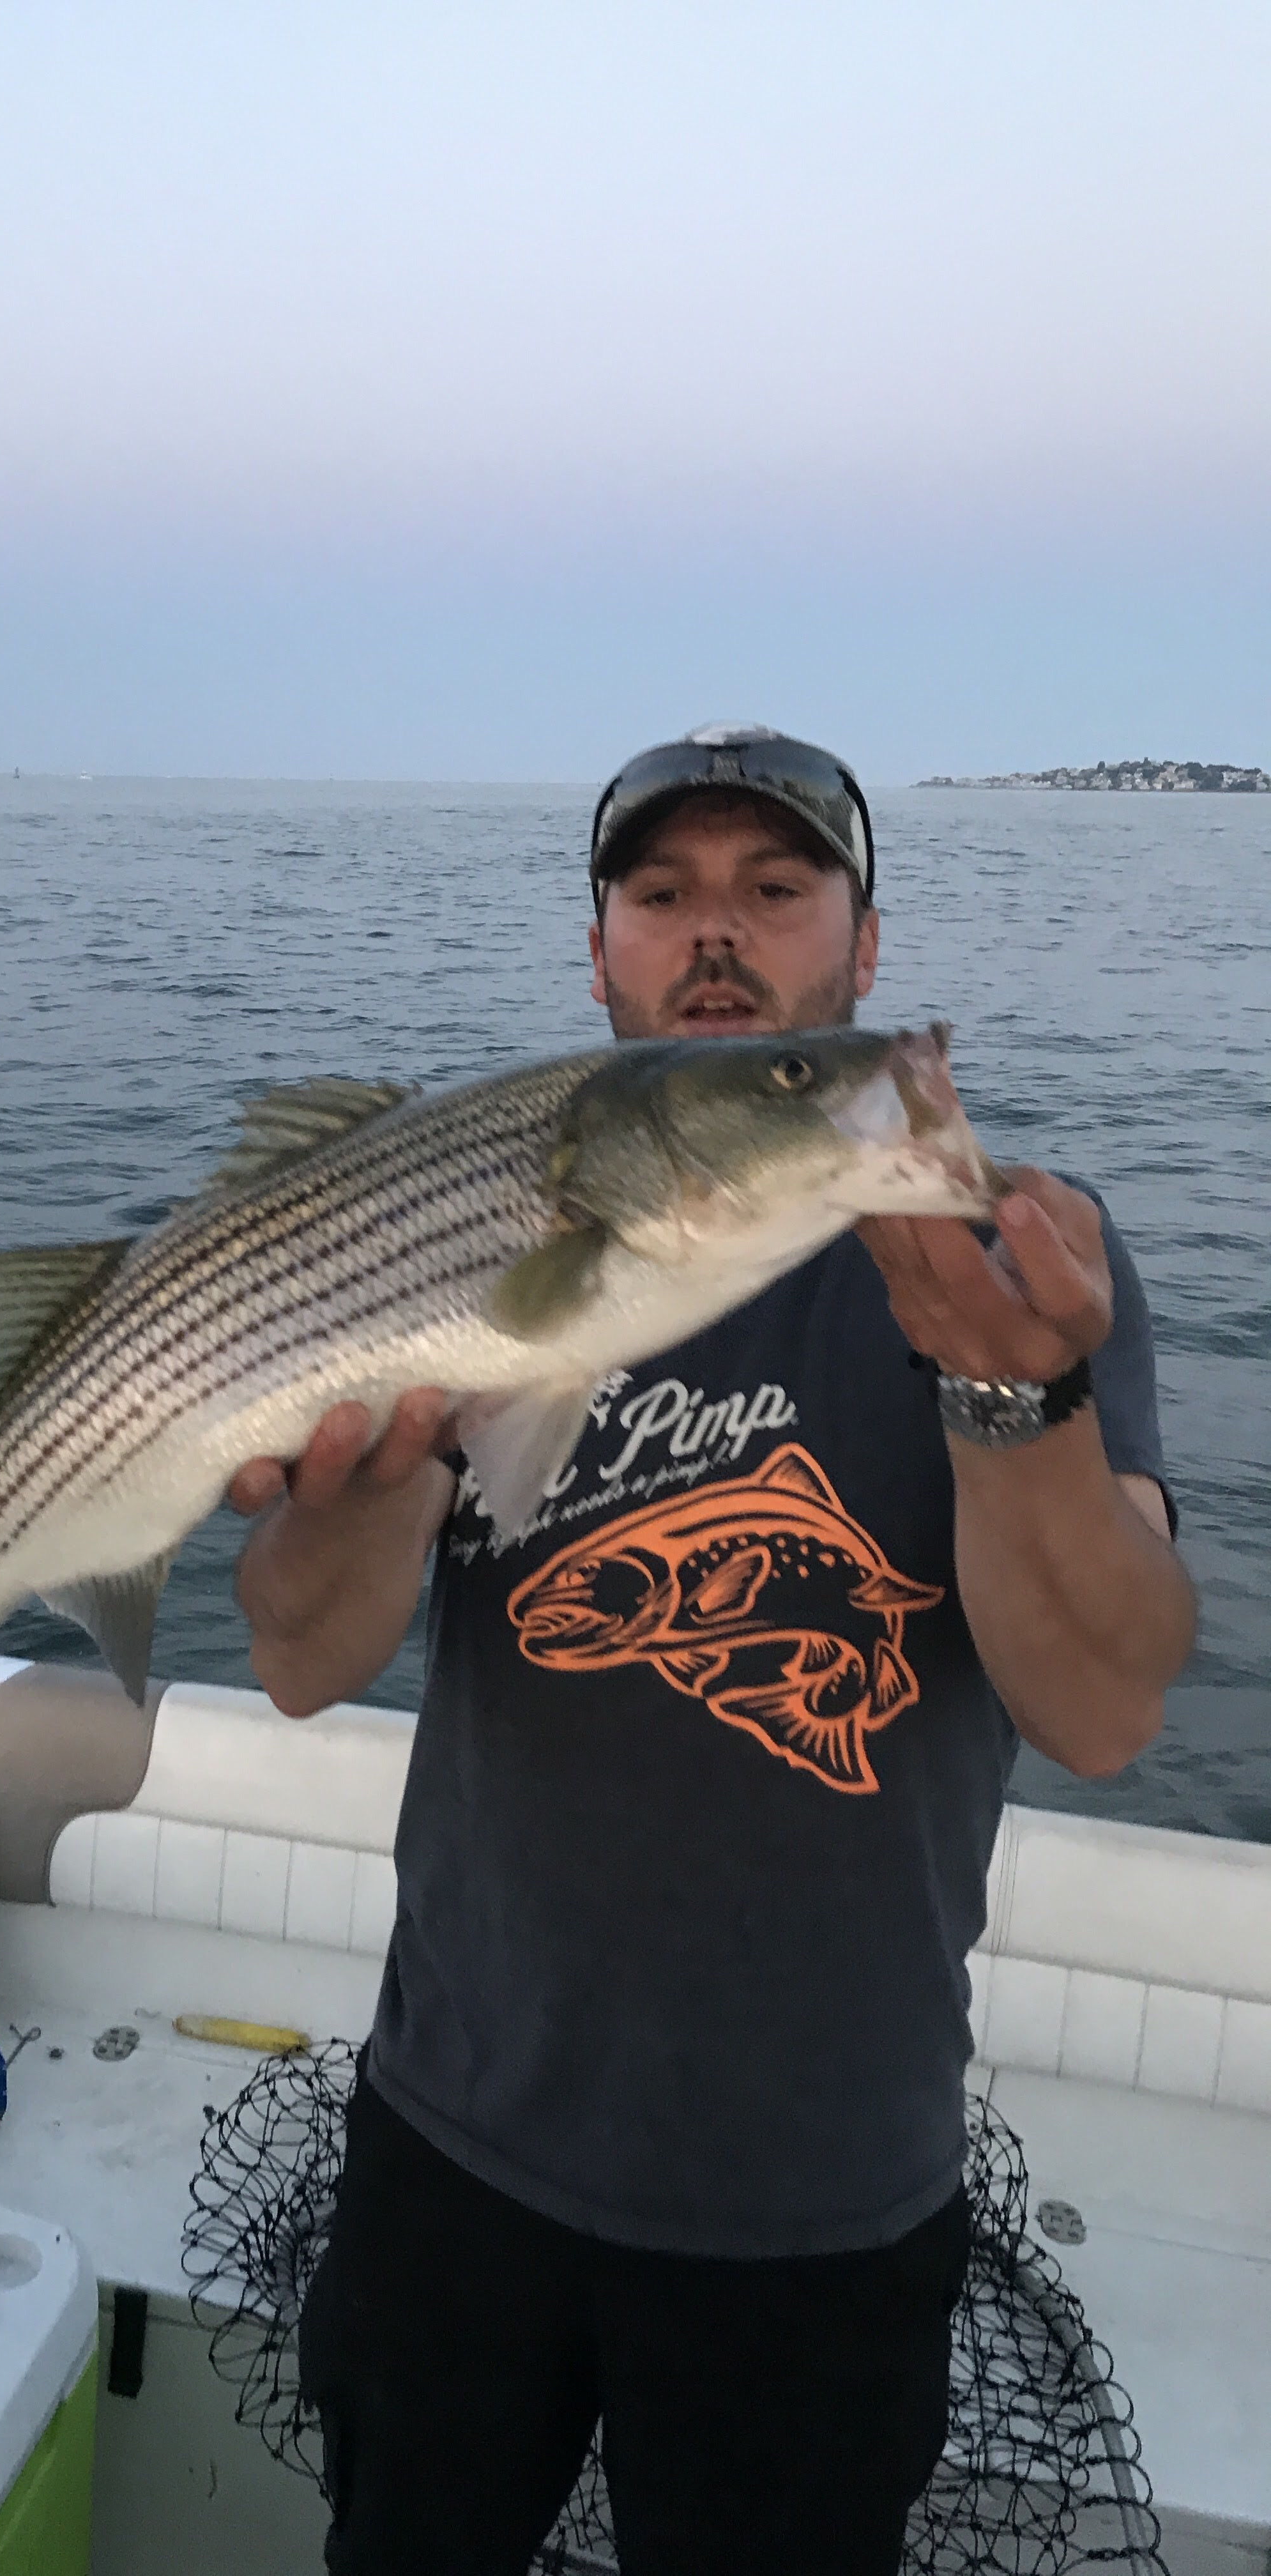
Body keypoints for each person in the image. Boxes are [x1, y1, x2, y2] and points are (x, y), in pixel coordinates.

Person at [227, 726, 1196, 2576]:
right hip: (455, 2145)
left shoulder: (1015, 1261)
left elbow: (1106, 1702)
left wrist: (1015, 1399)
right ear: (598, 954)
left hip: (821, 2195)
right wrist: (369, 1475)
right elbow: (294, 1660)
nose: (716, 935)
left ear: (865, 941)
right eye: (661, 895)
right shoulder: (475, 1232)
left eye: (775, 887)